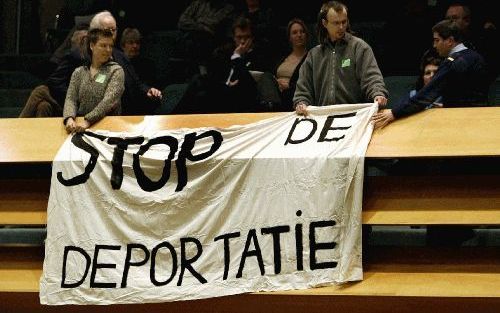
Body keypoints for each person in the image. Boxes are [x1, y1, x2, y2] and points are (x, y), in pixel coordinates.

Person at [372, 19, 489, 129]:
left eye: (437, 40)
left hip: (460, 122)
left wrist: (394, 113)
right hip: (482, 118)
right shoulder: (476, 57)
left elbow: (427, 95)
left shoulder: (453, 62)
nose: (434, 45)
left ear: (450, 41)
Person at [294, 1, 388, 116]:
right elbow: (303, 88)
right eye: (336, 23)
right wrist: (301, 102)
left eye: (344, 22)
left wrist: (378, 93)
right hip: (323, 119)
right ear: (324, 23)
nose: (341, 27)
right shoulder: (314, 55)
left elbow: (372, 77)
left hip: (355, 117)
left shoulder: (359, 47)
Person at [89, 11, 162, 115]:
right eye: (107, 30)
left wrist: (148, 90)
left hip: (126, 114)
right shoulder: (87, 56)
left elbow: (136, 83)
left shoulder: (121, 56)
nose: (111, 33)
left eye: (113, 30)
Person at [63, 28, 124, 133]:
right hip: (79, 126)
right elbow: (71, 98)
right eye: (103, 45)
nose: (108, 50)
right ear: (92, 46)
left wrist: (88, 121)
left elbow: (108, 102)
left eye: (110, 46)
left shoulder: (116, 71)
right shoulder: (79, 72)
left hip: (108, 127)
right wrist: (69, 118)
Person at [19, 30, 88, 118]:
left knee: (40, 90)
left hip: (76, 103)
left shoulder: (75, 57)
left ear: (81, 41)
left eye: (74, 43)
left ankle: (17, 125)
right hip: (70, 99)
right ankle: (37, 132)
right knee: (43, 106)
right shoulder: (80, 58)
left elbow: (54, 82)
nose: (72, 47)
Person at [275, 18, 308, 110]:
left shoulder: (310, 58)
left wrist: (289, 86)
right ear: (289, 37)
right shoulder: (283, 57)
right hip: (277, 93)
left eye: (302, 32)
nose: (299, 35)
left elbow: (309, 84)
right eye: (295, 32)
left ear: (306, 35)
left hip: (293, 97)